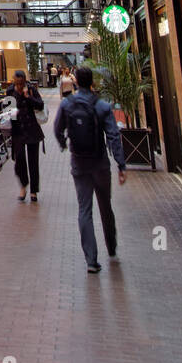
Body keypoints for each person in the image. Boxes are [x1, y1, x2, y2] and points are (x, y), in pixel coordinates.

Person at [54, 64, 127, 273]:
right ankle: (111, 247)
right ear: (92, 82)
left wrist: (64, 145)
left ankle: (91, 261)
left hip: (79, 163)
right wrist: (121, 164)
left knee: (84, 209)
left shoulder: (67, 104)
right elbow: (113, 136)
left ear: (76, 81)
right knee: (106, 206)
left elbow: (58, 129)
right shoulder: (102, 106)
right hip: (100, 164)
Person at [5, 69, 45, 202]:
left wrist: (29, 97)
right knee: (20, 160)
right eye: (16, 83)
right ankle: (23, 185)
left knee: (33, 162)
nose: (19, 86)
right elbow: (7, 111)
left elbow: (40, 105)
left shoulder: (31, 89)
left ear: (24, 81)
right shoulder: (10, 91)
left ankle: (34, 191)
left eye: (21, 83)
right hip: (18, 131)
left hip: (32, 129)